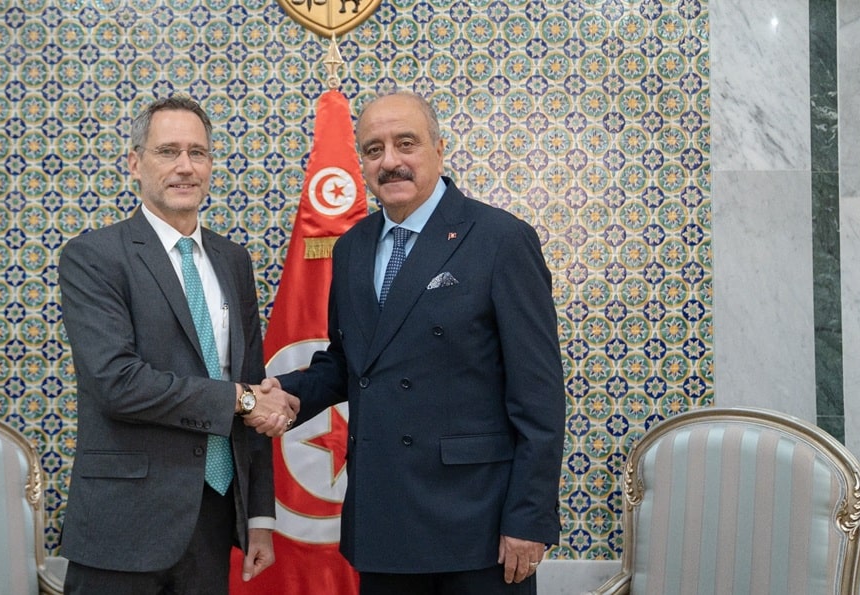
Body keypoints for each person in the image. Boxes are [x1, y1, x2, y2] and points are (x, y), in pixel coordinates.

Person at [274, 91, 566, 594]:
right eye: (374, 149)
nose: (390, 161)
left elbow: (539, 397)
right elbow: (352, 360)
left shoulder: (499, 239)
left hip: (478, 523)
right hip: (384, 516)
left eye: (405, 143)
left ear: (439, 148)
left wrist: (529, 517)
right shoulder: (352, 248)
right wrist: (286, 393)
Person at [58, 95, 299, 595]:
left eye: (197, 152)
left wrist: (258, 515)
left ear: (210, 165)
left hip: (213, 518)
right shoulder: (94, 256)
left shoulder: (233, 261)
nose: (185, 167)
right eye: (168, 151)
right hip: (123, 525)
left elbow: (252, 382)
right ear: (135, 163)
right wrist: (239, 400)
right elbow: (117, 384)